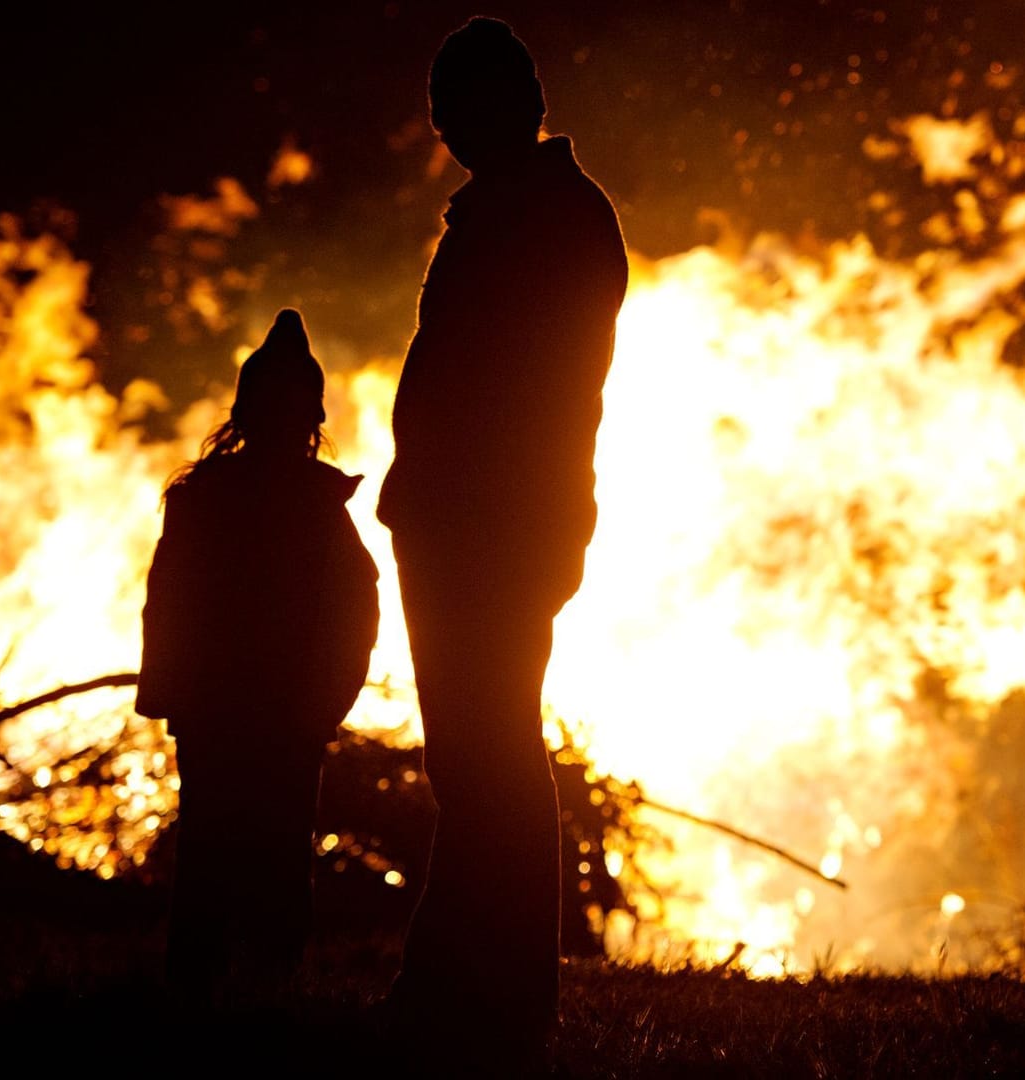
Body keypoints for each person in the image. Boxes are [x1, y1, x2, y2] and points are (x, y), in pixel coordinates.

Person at [376, 17, 628, 1065]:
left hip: (491, 524)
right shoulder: (523, 212)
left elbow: (524, 387)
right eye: (440, 103)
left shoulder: (542, 219)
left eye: (459, 100)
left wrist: (481, 504)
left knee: (489, 756)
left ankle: (495, 990)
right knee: (478, 756)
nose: (442, 123)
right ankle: (472, 982)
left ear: (516, 102)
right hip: (471, 519)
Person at [137, 309, 380, 1002]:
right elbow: (356, 613)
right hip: (275, 714)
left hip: (230, 711)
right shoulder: (305, 506)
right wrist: (327, 702)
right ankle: (266, 991)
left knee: (212, 848)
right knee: (273, 851)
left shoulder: (203, 499)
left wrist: (171, 696)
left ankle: (202, 992)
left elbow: (167, 603)